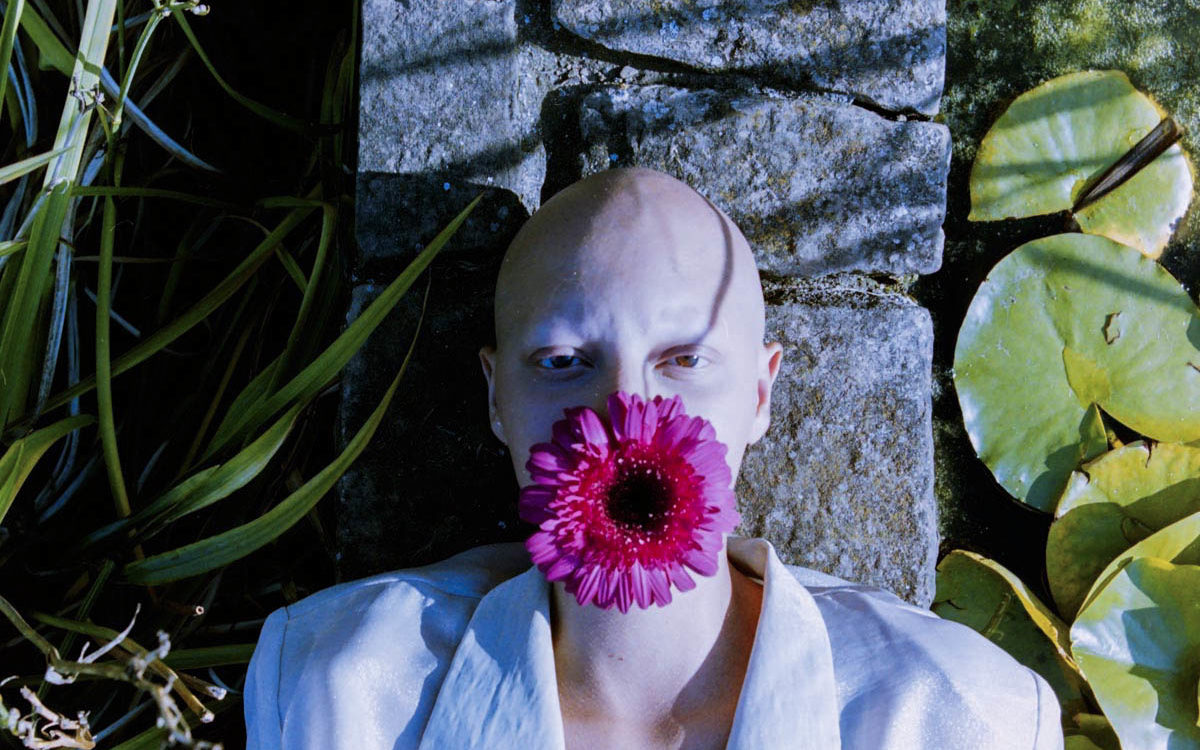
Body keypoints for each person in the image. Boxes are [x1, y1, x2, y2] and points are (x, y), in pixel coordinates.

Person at [243, 168, 1064, 749]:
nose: (626, 415)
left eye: (684, 359)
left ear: (760, 394)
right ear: (496, 397)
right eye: (563, 361)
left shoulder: (967, 719)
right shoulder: (333, 694)